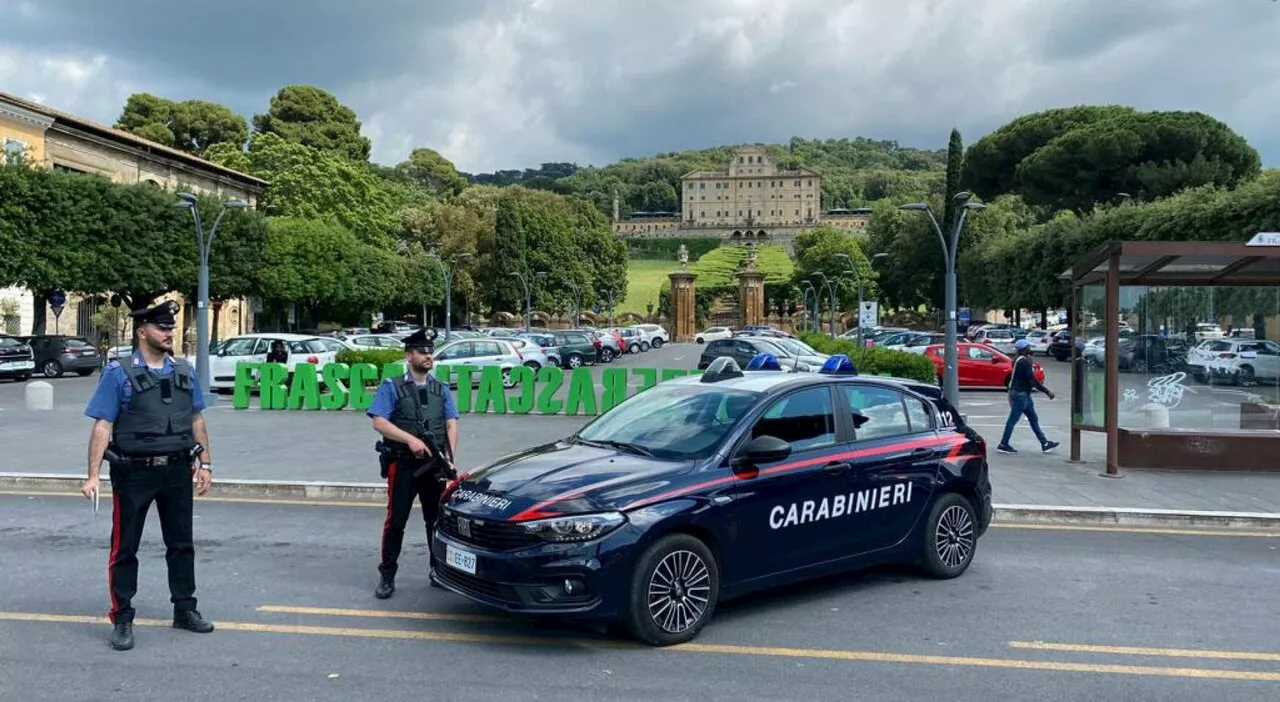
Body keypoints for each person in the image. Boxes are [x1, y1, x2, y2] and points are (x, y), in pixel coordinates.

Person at [80, 300, 215, 651]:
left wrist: (207, 464)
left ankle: (185, 609)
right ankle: (122, 618)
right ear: (143, 332)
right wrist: (92, 475)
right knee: (125, 549)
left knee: (182, 545)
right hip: (133, 474)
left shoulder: (184, 371)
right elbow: (103, 424)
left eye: (172, 327)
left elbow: (197, 419)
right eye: (163, 328)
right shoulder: (118, 373)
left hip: (177, 470)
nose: (170, 333)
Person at [366, 327, 460, 599]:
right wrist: (410, 440)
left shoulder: (440, 388)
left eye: (431, 351)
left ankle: (437, 570)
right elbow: (379, 422)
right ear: (409, 355)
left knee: (436, 520)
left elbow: (451, 424)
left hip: (434, 467)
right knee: (396, 521)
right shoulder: (391, 386)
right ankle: (387, 574)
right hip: (404, 464)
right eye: (422, 351)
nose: (428, 355)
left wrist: (448, 460)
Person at [996, 338, 1060, 455]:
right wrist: (1047, 391)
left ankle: (1044, 443)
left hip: (1021, 394)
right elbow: (1032, 380)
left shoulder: (1017, 360)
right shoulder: (1024, 362)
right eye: (1028, 348)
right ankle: (1003, 444)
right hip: (1021, 395)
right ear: (1025, 349)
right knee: (1013, 420)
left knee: (1033, 419)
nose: (1030, 349)